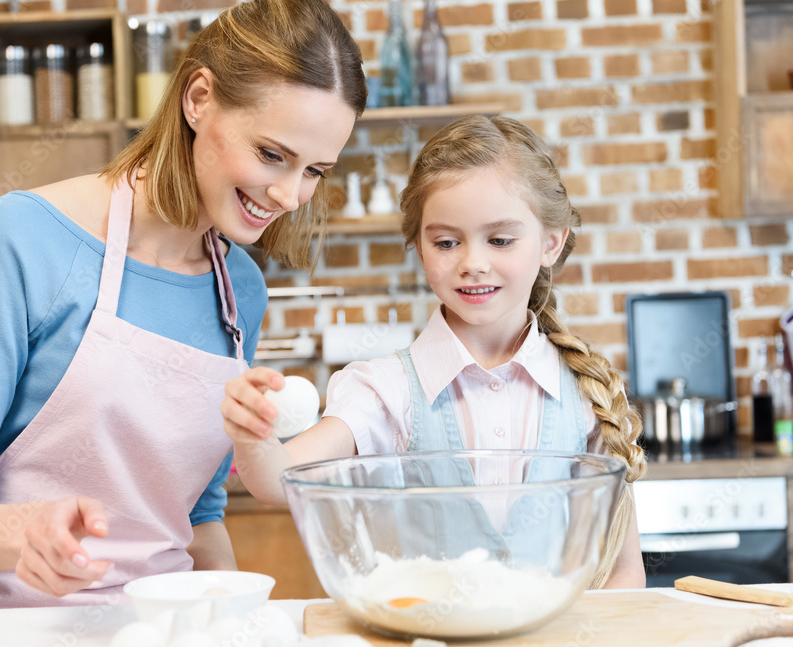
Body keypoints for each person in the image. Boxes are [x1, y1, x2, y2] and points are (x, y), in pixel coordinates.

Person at [0, 0, 366, 610]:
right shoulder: (17, 241)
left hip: (160, 635)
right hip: (8, 634)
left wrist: (232, 621)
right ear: (198, 98)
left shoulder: (240, 291)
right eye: (272, 155)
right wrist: (25, 534)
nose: (288, 194)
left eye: (315, 171)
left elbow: (197, 511)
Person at [222, 115, 648, 589]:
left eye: (500, 239)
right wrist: (252, 433)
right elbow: (275, 479)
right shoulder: (386, 390)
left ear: (551, 242)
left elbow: (623, 572)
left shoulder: (585, 392)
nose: (472, 263)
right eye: (446, 242)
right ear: (420, 249)